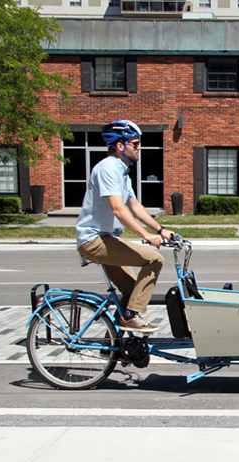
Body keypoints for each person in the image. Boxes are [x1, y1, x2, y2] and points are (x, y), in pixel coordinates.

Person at [76, 120, 176, 333]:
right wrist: (146, 235)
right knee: (154, 259)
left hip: (106, 239)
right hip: (95, 240)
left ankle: (111, 344)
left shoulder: (122, 170)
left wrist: (160, 230)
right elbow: (118, 209)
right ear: (120, 146)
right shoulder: (108, 168)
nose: (139, 148)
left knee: (132, 292)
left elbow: (135, 206)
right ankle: (130, 317)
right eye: (135, 144)